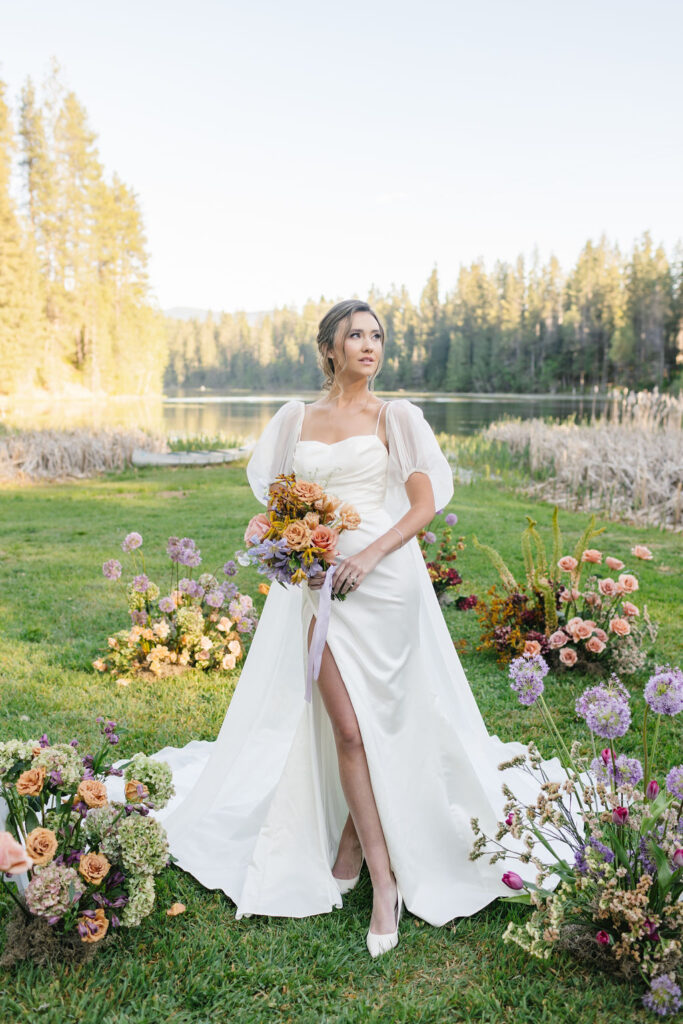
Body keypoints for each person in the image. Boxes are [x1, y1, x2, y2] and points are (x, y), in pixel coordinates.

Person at [117, 299, 565, 958]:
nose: (369, 345)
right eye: (354, 335)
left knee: (382, 721)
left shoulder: (395, 416)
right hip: (316, 584)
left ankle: (359, 849)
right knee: (345, 727)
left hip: (383, 583)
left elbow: (422, 506)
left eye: (377, 336)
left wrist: (368, 552)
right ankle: (382, 879)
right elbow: (280, 497)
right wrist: (266, 530)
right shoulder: (295, 417)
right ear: (328, 348)